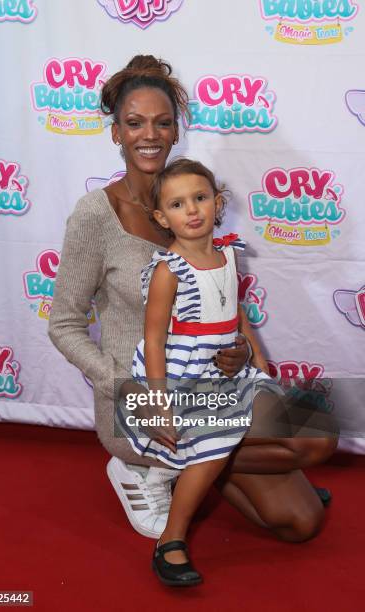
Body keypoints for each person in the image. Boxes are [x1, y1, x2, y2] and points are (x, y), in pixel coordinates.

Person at [48, 54, 337, 549]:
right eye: (134, 123)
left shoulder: (187, 198)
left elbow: (222, 300)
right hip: (144, 400)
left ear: (177, 129)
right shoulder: (94, 217)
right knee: (307, 441)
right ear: (116, 132)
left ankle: (183, 472)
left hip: (211, 392)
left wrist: (244, 353)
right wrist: (121, 389)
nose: (150, 135)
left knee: (301, 519)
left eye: (163, 122)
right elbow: (64, 325)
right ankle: (139, 464)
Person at [117, 157, 295, 586]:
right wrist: (159, 400)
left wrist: (255, 351)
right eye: (178, 204)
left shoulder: (228, 253)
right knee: (212, 447)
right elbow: (155, 339)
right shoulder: (168, 270)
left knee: (285, 415)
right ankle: (170, 540)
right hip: (184, 372)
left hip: (225, 364)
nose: (192, 210)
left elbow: (234, 310)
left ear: (218, 203)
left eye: (199, 198)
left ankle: (255, 474)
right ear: (162, 217)